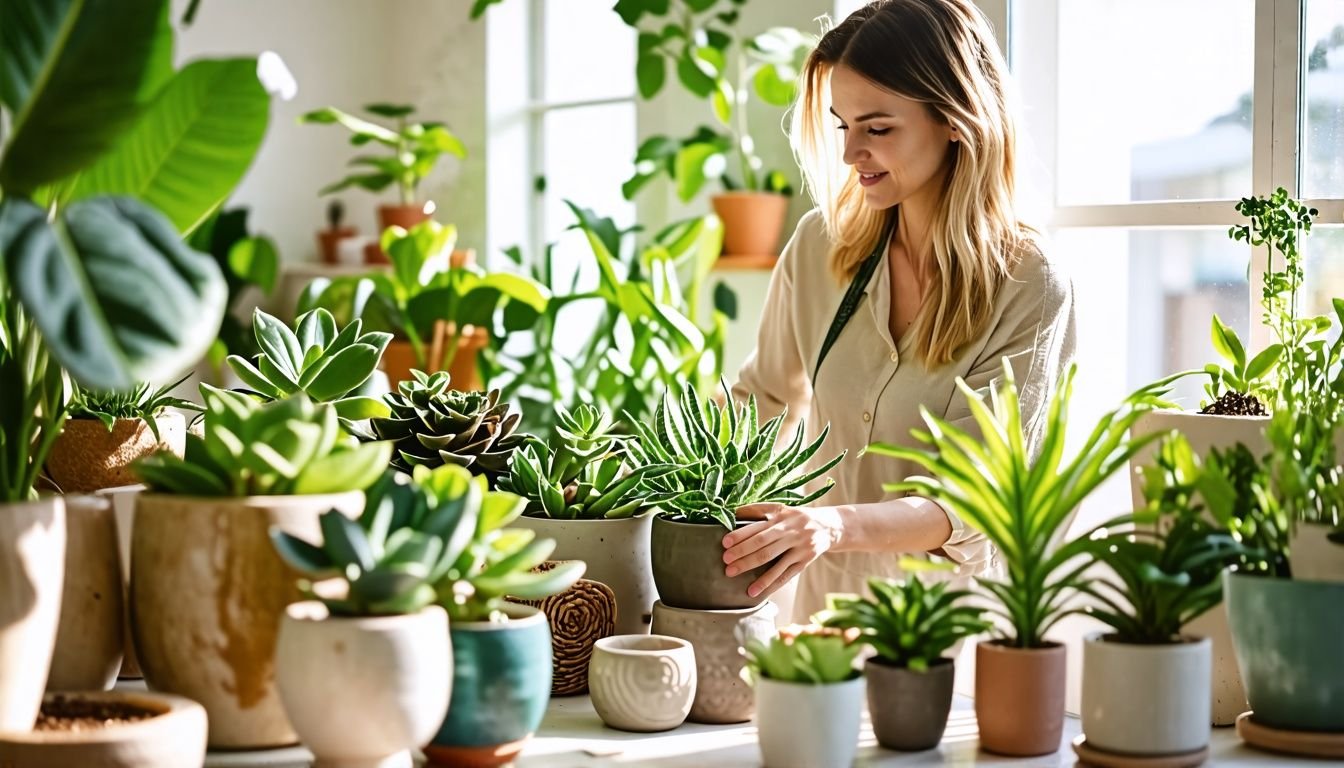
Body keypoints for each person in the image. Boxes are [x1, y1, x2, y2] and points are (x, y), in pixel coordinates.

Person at [723, 0, 1076, 622]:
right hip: (820, 627)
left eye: (878, 128)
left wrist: (831, 526)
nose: (851, 151)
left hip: (943, 641)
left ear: (955, 121)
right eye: (843, 126)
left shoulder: (1028, 281)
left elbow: (978, 501)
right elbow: (760, 401)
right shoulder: (820, 247)